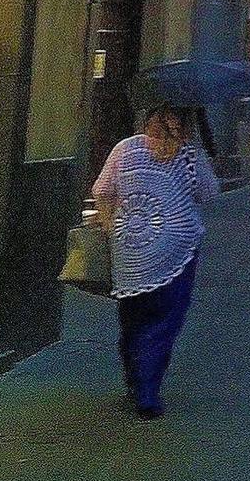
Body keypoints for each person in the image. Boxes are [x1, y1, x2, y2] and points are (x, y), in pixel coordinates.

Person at [92, 103, 219, 418]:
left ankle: (135, 379)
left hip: (130, 249)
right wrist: (196, 148)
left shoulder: (125, 149)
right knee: (164, 321)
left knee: (133, 317)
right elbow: (208, 193)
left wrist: (110, 225)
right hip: (176, 251)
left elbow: (102, 190)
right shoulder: (190, 155)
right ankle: (147, 390)